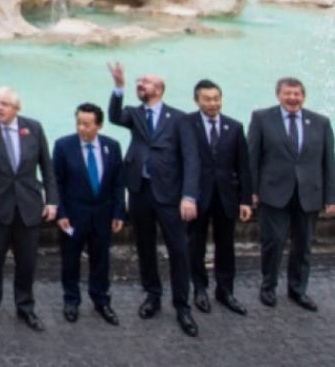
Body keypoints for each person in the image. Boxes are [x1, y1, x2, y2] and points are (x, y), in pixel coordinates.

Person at [107, 62, 199, 337]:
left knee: (178, 251)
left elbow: (191, 159)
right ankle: (152, 296)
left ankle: (182, 305)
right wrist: (119, 86)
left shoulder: (180, 118)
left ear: (158, 89)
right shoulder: (133, 114)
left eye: (144, 82)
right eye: (138, 82)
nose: (140, 85)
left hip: (170, 194)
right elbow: (112, 116)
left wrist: (189, 195)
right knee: (144, 247)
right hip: (139, 191)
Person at [0, 87, 58, 331]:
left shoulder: (34, 128)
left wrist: (51, 201)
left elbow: (47, 168)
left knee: (27, 262)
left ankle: (26, 307)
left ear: (16, 108)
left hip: (28, 207)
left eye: (5, 104)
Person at [248, 77, 335, 311]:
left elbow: (329, 163)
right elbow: (252, 158)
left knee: (303, 246)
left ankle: (298, 290)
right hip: (273, 193)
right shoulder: (261, 119)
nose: (292, 98)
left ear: (303, 96)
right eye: (288, 93)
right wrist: (252, 191)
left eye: (297, 94)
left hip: (308, 195)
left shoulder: (321, 122)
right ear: (278, 95)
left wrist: (330, 197)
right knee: (272, 243)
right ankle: (268, 287)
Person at [182, 80, 252, 316]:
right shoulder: (187, 125)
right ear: (197, 101)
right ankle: (199, 289)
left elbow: (243, 167)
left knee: (226, 246)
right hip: (197, 197)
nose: (213, 103)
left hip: (226, 196)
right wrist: (184, 197)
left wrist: (245, 200)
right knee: (195, 245)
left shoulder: (234, 126)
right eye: (207, 99)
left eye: (216, 98)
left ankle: (225, 290)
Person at [52, 103, 125, 326]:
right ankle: (71, 300)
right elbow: (57, 183)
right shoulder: (63, 146)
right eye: (79, 123)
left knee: (101, 260)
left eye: (87, 124)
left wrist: (118, 213)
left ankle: (101, 299)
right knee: (71, 260)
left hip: (102, 215)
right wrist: (60, 213)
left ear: (99, 126)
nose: (81, 128)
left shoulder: (112, 147)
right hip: (73, 215)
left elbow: (117, 183)